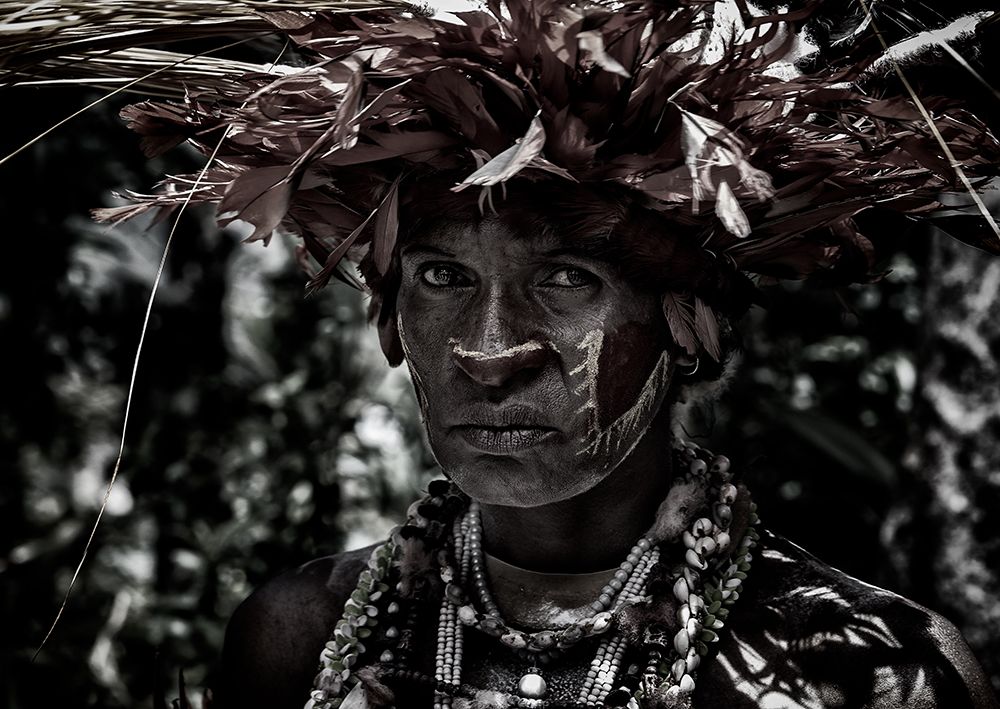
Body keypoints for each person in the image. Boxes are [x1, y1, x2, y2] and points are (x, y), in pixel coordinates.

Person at [7, 0, 999, 707]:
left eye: (565, 278)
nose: (488, 350)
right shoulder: (297, 637)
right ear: (389, 323)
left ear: (687, 324)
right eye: (441, 278)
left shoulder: (860, 667)